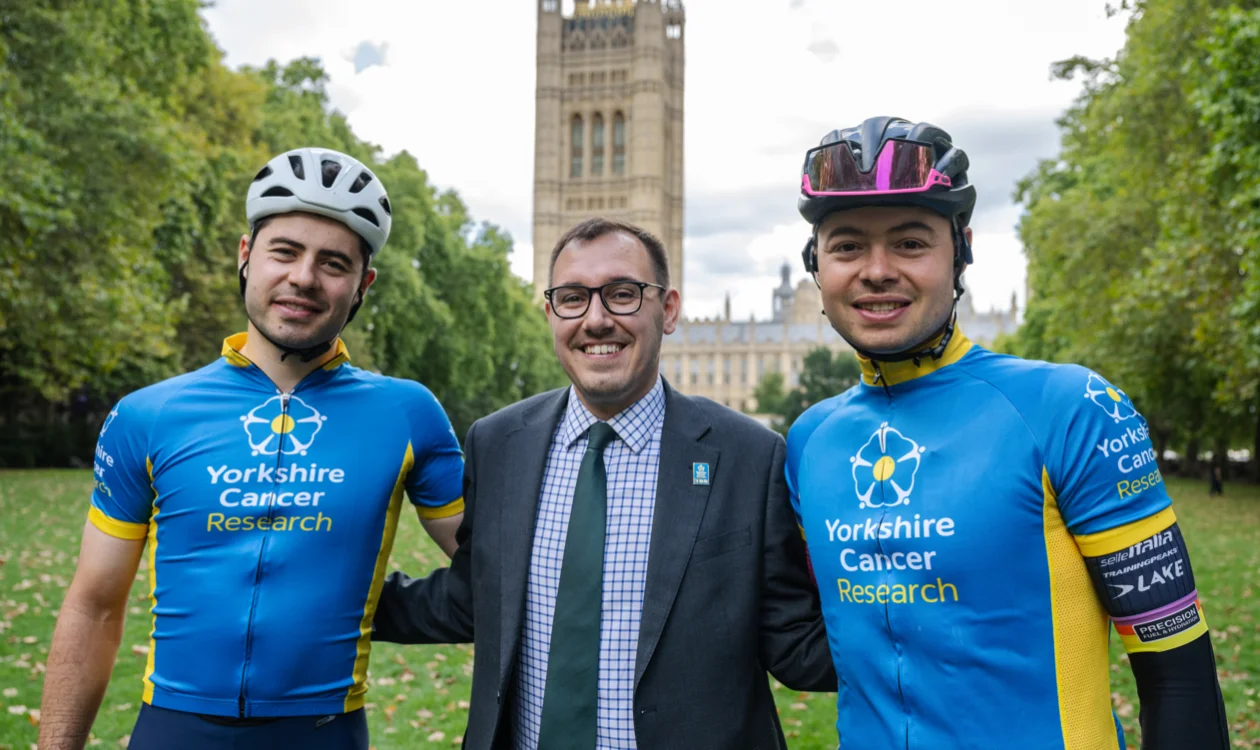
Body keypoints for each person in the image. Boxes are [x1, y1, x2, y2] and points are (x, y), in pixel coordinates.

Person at [786, 116, 1230, 749]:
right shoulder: (809, 442)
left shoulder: (1071, 406)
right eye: (848, 245)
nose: (876, 270)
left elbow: (1179, 674)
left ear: (960, 251)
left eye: (911, 243)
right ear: (816, 266)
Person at [38, 148, 466, 750]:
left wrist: (385, 605)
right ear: (246, 256)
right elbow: (94, 607)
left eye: (333, 262)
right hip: (172, 729)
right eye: (284, 251)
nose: (304, 278)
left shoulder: (407, 412)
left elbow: (492, 574)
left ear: (363, 284)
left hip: (326, 732)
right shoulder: (149, 414)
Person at [372, 218, 836, 750]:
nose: (596, 319)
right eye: (573, 297)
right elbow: (473, 599)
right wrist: (318, 596)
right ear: (550, 313)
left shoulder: (748, 456)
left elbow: (797, 643)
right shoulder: (498, 444)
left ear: (668, 310)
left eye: (622, 294)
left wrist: (929, 618)